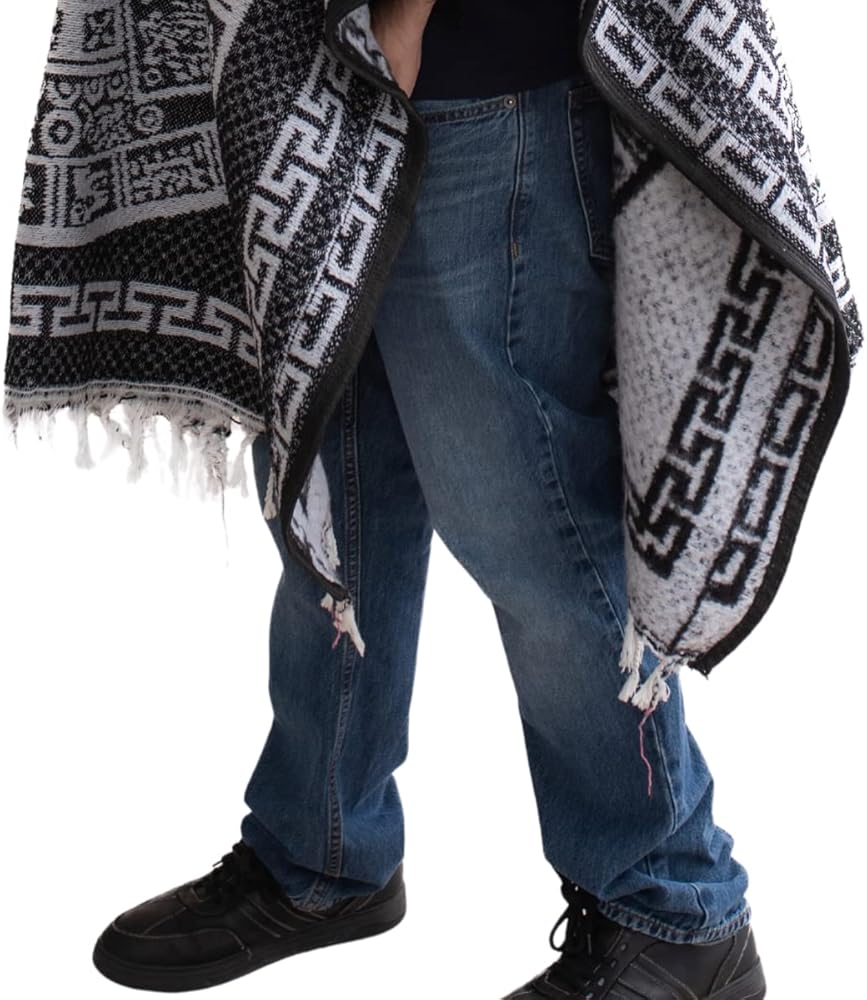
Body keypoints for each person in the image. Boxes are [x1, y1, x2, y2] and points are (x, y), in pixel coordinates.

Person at [90, 1, 765, 997]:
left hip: (472, 81)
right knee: (335, 501)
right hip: (314, 81)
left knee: (534, 528)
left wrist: (401, 15)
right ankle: (321, 853)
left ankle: (675, 912)